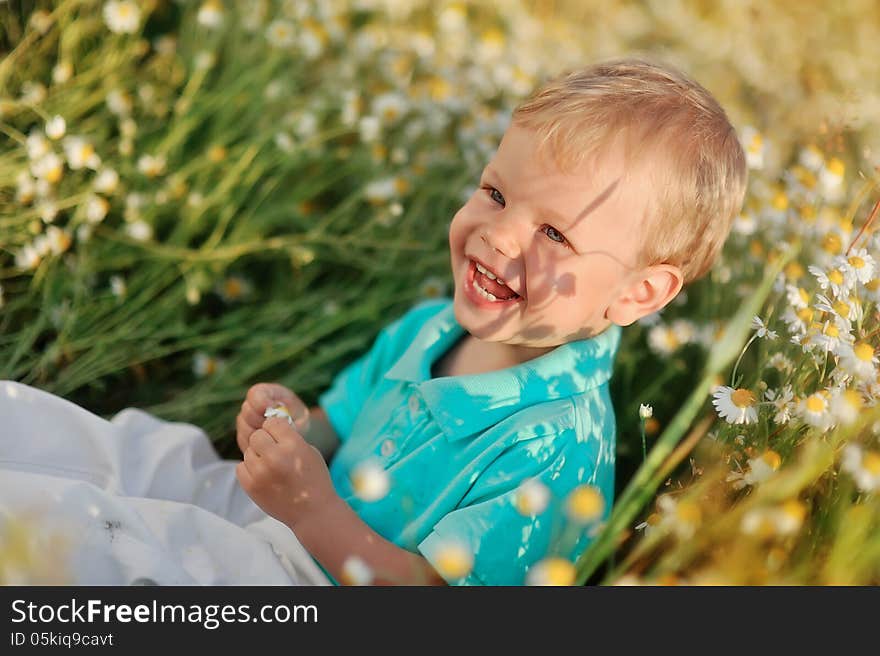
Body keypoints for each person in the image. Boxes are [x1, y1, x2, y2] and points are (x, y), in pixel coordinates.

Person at [0, 58, 746, 586]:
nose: (498, 235)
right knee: (141, 456)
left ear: (640, 294)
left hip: (314, 582)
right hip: (298, 520)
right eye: (494, 192)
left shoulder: (556, 451)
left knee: (118, 546)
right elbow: (338, 425)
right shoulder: (433, 327)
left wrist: (312, 508)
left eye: (555, 234)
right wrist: (293, 427)